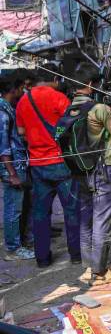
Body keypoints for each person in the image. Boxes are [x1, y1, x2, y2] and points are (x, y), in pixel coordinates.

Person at [15, 67, 80, 268]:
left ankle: (42, 258)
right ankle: (76, 254)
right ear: (53, 78)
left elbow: (21, 132)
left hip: (37, 165)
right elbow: (73, 126)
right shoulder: (58, 97)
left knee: (41, 213)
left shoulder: (22, 102)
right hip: (61, 163)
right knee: (71, 210)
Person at [69, 64, 111, 286]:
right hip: (103, 169)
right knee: (102, 221)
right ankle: (100, 272)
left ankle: (89, 267)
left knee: (86, 221)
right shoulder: (99, 109)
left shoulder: (69, 110)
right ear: (90, 85)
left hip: (80, 172)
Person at [0, 72, 34, 261]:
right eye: (21, 88)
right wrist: (12, 173)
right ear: (13, 89)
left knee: (19, 207)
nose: (23, 91)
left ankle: (19, 242)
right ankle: (13, 248)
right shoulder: (3, 112)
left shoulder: (8, 109)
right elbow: (2, 146)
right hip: (11, 166)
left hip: (17, 163)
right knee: (13, 209)